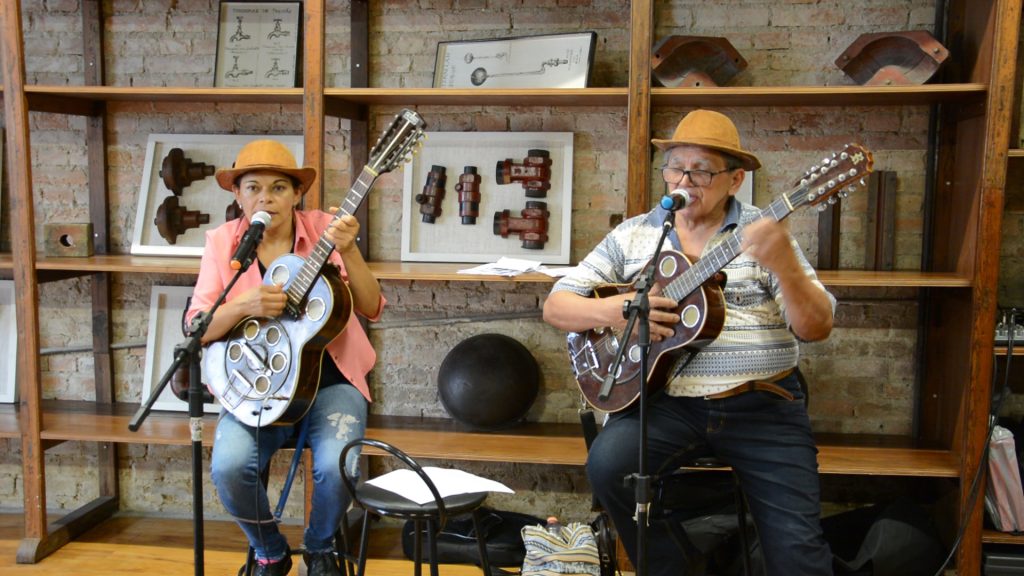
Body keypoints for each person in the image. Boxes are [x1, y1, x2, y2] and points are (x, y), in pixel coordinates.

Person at [543, 109, 836, 575]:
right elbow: (556, 306)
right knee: (608, 467)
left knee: (798, 552)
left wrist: (784, 264)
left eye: (702, 170)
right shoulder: (637, 234)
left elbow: (816, 327)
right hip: (666, 403)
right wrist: (618, 312)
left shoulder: (763, 234)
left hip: (763, 405)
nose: (685, 179)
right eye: (677, 167)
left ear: (735, 180)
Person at [186, 139, 385, 576]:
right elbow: (196, 326)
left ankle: (319, 547)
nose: (265, 198)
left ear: (297, 195)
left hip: (330, 381)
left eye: (279, 188)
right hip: (258, 383)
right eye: (253, 187)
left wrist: (349, 249)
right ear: (237, 195)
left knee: (339, 466)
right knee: (230, 466)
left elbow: (371, 306)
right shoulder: (223, 244)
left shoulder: (325, 231)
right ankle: (270, 552)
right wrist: (243, 306)